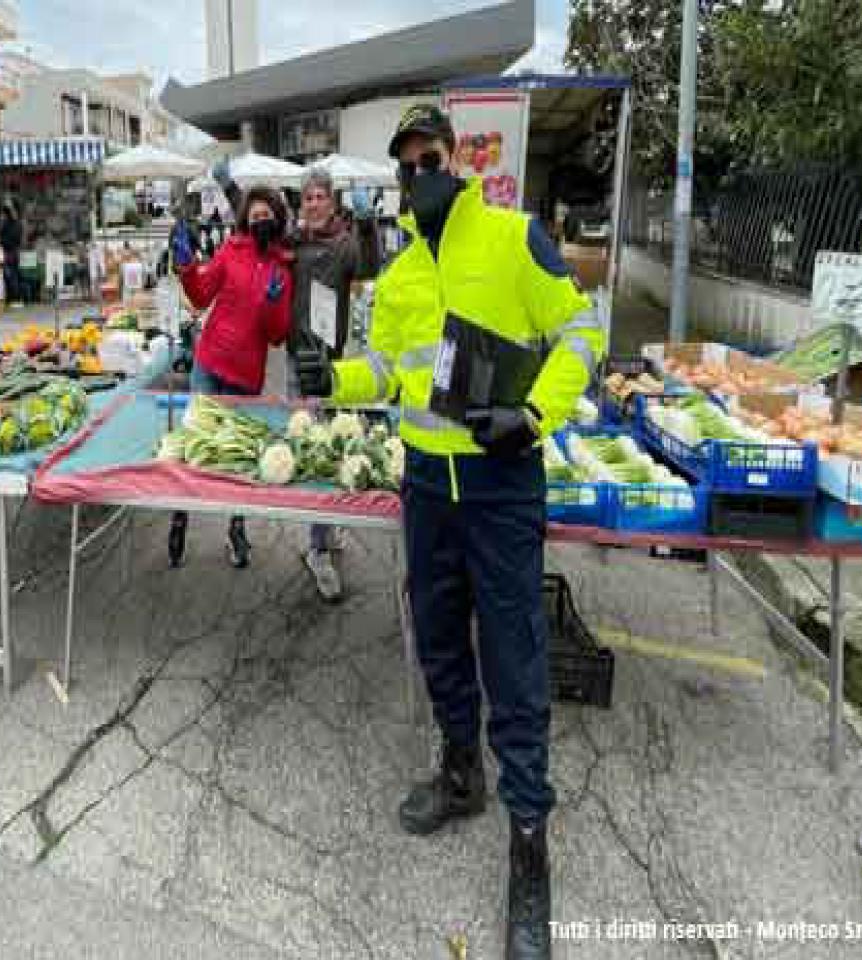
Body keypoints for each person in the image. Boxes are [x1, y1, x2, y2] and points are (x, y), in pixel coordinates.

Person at [295, 104, 604, 960]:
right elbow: (391, 372)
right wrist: (336, 376)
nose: (418, 171)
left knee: (514, 652)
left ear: (458, 159)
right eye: (405, 163)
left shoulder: (513, 238)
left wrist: (535, 413)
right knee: (438, 641)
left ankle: (530, 841)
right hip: (426, 483)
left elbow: (584, 331)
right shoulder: (395, 274)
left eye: (429, 155)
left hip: (503, 480)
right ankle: (461, 773)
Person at [216, 162, 381, 602]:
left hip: (333, 366)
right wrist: (231, 189)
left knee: (330, 445)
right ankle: (318, 545)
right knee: (310, 446)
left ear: (331, 201)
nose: (312, 203)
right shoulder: (292, 240)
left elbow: (370, 266)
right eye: (306, 197)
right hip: (296, 360)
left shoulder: (345, 245)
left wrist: (368, 224)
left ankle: (320, 540)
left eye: (319, 196)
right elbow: (257, 222)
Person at [168, 186, 294, 570]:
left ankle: (236, 528)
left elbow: (276, 334)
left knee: (235, 456)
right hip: (208, 364)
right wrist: (188, 268)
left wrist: (273, 304)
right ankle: (179, 514)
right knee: (194, 444)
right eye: (253, 217)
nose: (259, 223)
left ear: (276, 221)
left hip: (245, 376)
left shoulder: (282, 268)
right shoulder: (230, 251)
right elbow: (202, 296)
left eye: (265, 217)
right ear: (244, 221)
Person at [0, 203, 24, 307]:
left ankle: (14, 298)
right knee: (12, 276)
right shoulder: (16, 224)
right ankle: (13, 298)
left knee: (11, 276)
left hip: (10, 253)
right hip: (13, 253)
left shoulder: (10, 225)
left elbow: (9, 240)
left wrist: (2, 241)